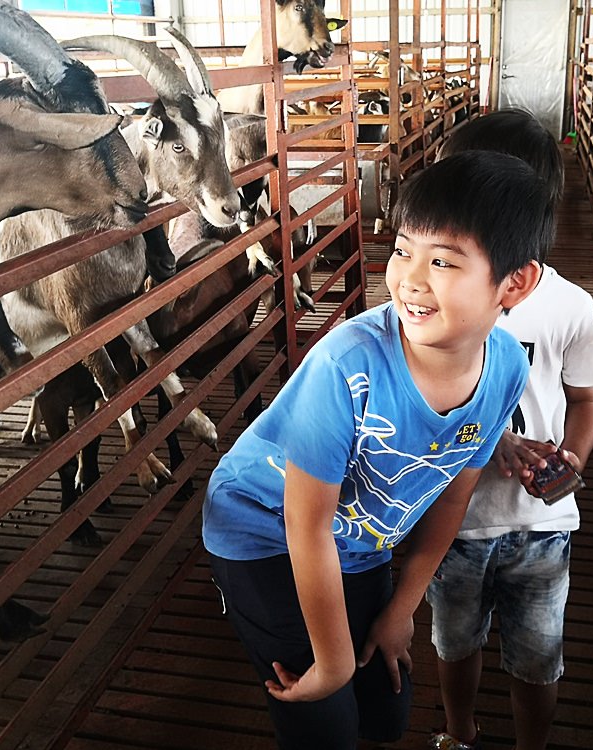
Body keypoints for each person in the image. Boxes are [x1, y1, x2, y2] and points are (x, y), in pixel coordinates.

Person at [202, 151, 556, 750]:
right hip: (264, 532)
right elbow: (303, 523)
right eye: (402, 250)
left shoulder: (505, 370)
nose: (410, 279)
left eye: (442, 261)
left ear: (514, 283)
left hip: (361, 542)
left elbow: (452, 498)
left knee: (387, 713)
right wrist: (333, 663)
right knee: (325, 716)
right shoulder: (349, 365)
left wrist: (402, 608)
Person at [427, 110, 593, 750]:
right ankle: (460, 732)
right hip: (451, 519)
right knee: (454, 643)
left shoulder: (569, 306)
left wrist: (572, 462)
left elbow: (586, 403)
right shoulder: (430, 304)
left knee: (539, 657)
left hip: (541, 524)